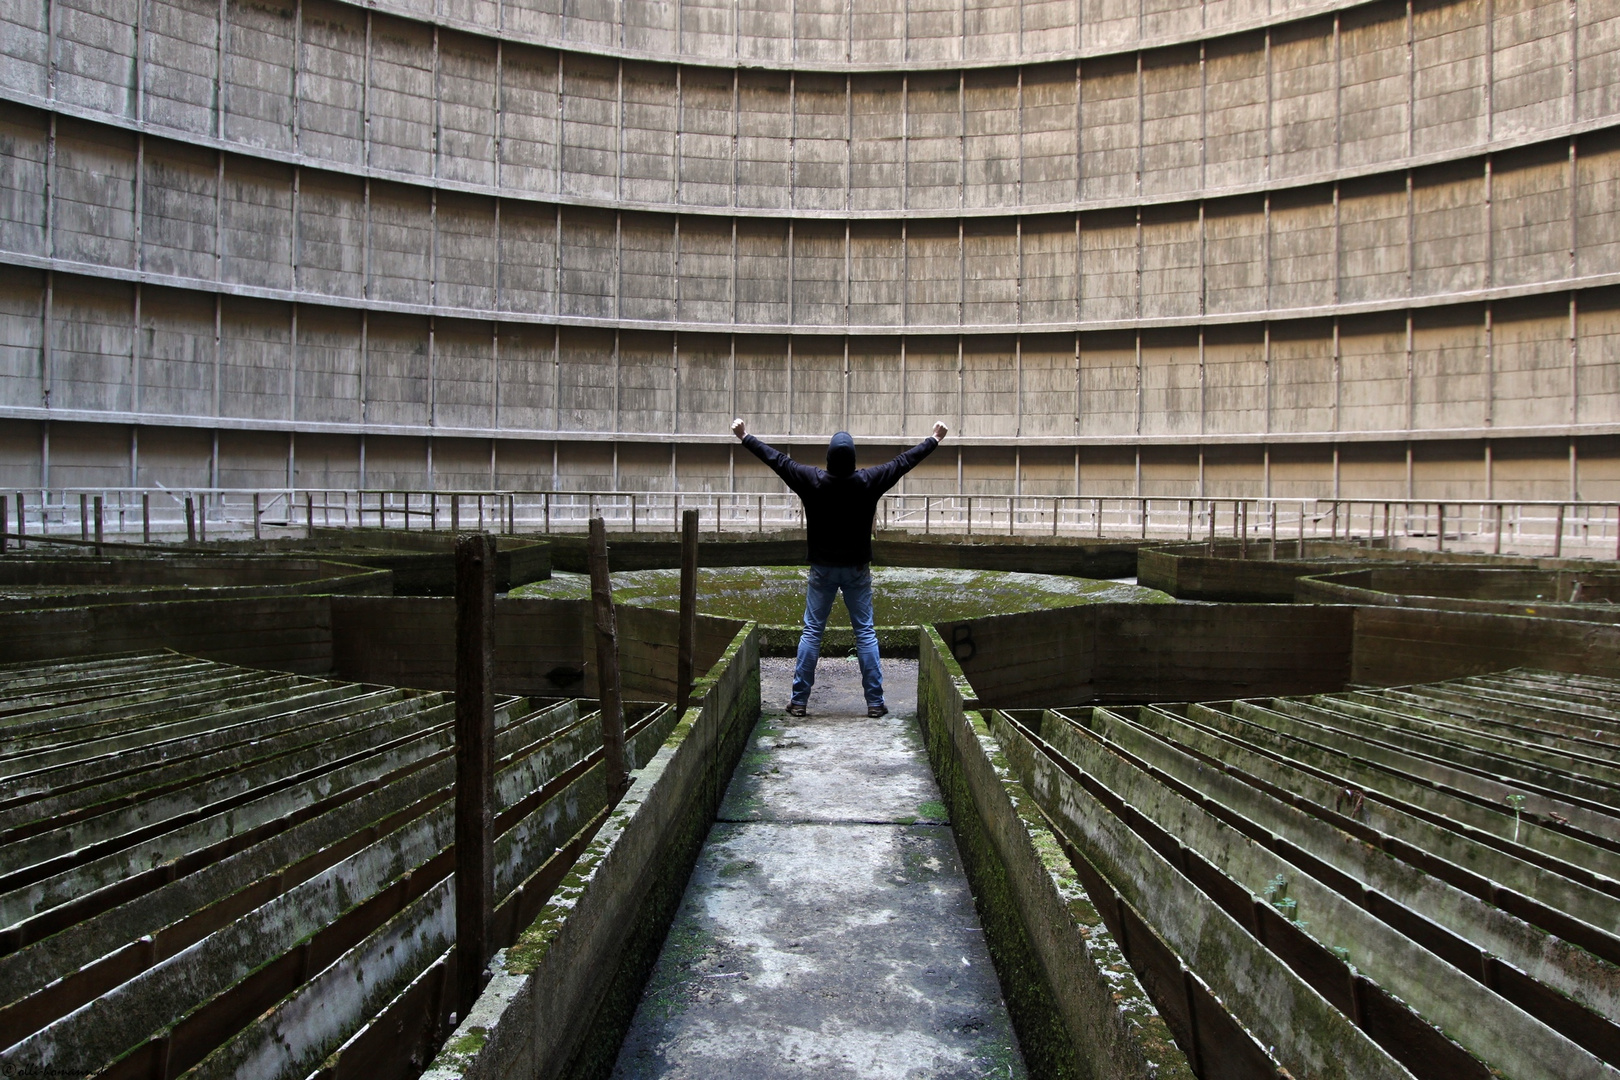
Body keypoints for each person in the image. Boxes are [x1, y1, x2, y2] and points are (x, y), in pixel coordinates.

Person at [731, 417, 948, 718]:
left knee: (812, 632)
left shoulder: (811, 480)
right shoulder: (868, 481)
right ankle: (874, 703)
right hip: (857, 569)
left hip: (822, 569)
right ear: (854, 460)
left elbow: (777, 460)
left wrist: (745, 436)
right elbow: (903, 462)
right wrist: (933, 439)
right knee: (865, 633)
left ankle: (799, 701)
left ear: (829, 459)